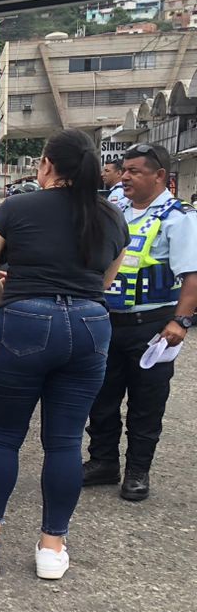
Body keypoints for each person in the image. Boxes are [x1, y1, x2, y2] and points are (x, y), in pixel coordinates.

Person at [0, 129, 128, 581]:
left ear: (48, 165)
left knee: (4, 436)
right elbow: (105, 283)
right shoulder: (112, 217)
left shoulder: (17, 208)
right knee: (65, 442)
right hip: (91, 326)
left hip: (27, 319)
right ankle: (52, 548)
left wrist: (8, 306)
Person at [84, 145, 197, 501]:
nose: (126, 176)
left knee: (146, 403)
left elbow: (192, 278)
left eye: (134, 171)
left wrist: (181, 321)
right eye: (125, 171)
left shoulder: (178, 218)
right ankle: (103, 462)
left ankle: (137, 471)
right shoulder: (115, 210)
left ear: (159, 176)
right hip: (107, 321)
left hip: (152, 326)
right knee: (101, 397)